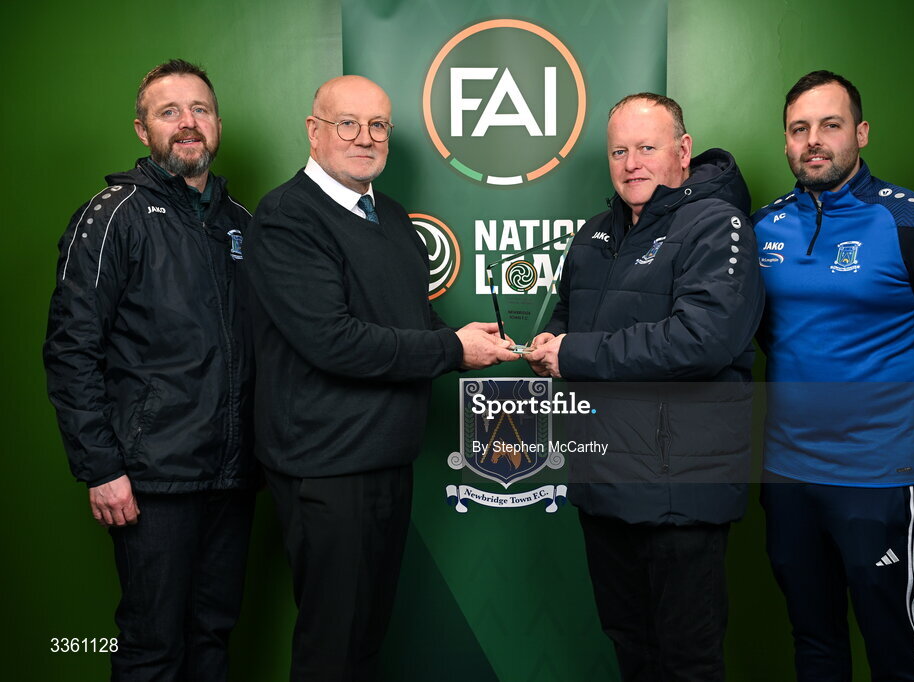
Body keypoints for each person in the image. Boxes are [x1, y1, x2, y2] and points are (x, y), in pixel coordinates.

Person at [244, 75, 518, 681]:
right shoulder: (288, 218)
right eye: (347, 123)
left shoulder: (390, 215)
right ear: (314, 132)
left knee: (366, 641)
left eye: (378, 126)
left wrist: (465, 340)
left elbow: (409, 321)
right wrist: (451, 348)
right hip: (327, 467)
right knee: (333, 649)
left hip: (387, 458)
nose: (364, 138)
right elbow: (333, 341)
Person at [752, 70, 914, 681]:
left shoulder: (912, 223)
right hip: (788, 474)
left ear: (860, 133)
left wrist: (898, 408)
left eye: (830, 125)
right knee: (814, 642)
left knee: (895, 645)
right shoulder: (762, 228)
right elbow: (762, 332)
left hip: (880, 476)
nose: (813, 140)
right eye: (799, 129)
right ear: (786, 141)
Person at [528, 93, 764, 681]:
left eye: (646, 148)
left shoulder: (719, 225)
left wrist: (572, 355)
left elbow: (702, 341)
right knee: (631, 648)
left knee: (688, 660)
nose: (631, 163)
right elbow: (569, 320)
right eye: (619, 151)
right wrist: (547, 345)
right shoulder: (594, 234)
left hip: (680, 489)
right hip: (604, 482)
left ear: (683, 151)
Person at [43, 59, 257, 681]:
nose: (188, 123)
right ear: (143, 130)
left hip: (232, 477)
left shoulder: (242, 223)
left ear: (217, 124)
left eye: (200, 110)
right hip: (151, 481)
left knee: (212, 638)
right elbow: (71, 349)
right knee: (153, 649)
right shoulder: (113, 216)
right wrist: (102, 468)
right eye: (169, 112)